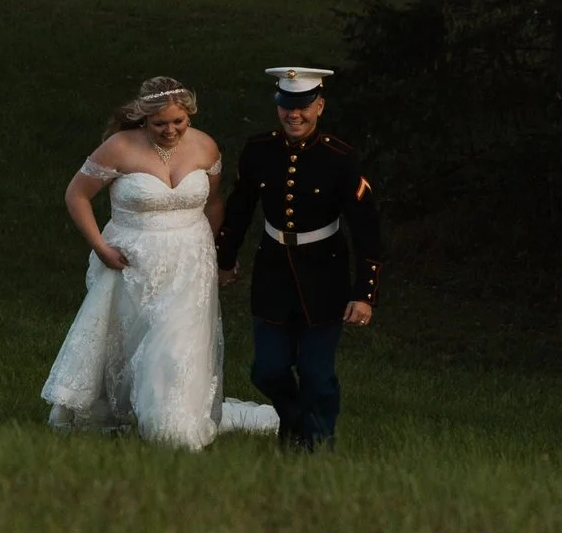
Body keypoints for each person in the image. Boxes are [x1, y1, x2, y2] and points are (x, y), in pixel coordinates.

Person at [41, 77, 280, 448]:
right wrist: (100, 247)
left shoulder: (205, 146)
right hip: (132, 264)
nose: (170, 130)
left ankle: (171, 422)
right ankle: (128, 410)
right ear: (144, 119)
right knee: (129, 343)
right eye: (160, 124)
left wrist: (217, 252)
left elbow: (214, 203)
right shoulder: (119, 147)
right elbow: (77, 195)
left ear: (190, 115)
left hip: (191, 263)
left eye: (178, 122)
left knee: (175, 344)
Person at [216, 67, 384, 450]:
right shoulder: (259, 150)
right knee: (267, 369)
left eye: (303, 106)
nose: (294, 115)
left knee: (316, 373)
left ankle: (316, 445)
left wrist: (364, 293)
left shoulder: (340, 157)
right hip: (272, 271)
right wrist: (225, 259)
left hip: (325, 275)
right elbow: (241, 208)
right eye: (286, 106)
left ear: (319, 106)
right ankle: (295, 422)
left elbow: (366, 227)